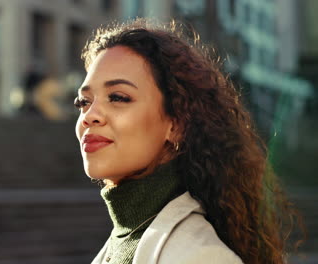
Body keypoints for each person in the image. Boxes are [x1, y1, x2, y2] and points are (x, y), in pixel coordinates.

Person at [73, 19, 302, 264]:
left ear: (177, 125)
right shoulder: (124, 238)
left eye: (118, 97)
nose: (90, 115)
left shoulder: (200, 256)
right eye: (83, 102)